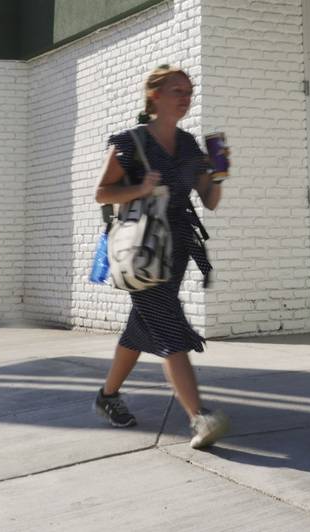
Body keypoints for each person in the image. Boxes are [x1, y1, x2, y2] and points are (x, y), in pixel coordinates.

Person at [93, 65, 231, 450]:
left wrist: (218, 174)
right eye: (176, 91)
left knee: (142, 326)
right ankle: (198, 417)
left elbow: (210, 201)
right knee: (169, 329)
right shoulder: (131, 143)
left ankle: (107, 397)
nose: (185, 98)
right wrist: (140, 187)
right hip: (141, 252)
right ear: (154, 95)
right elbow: (103, 193)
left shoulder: (189, 146)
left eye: (189, 91)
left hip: (177, 250)